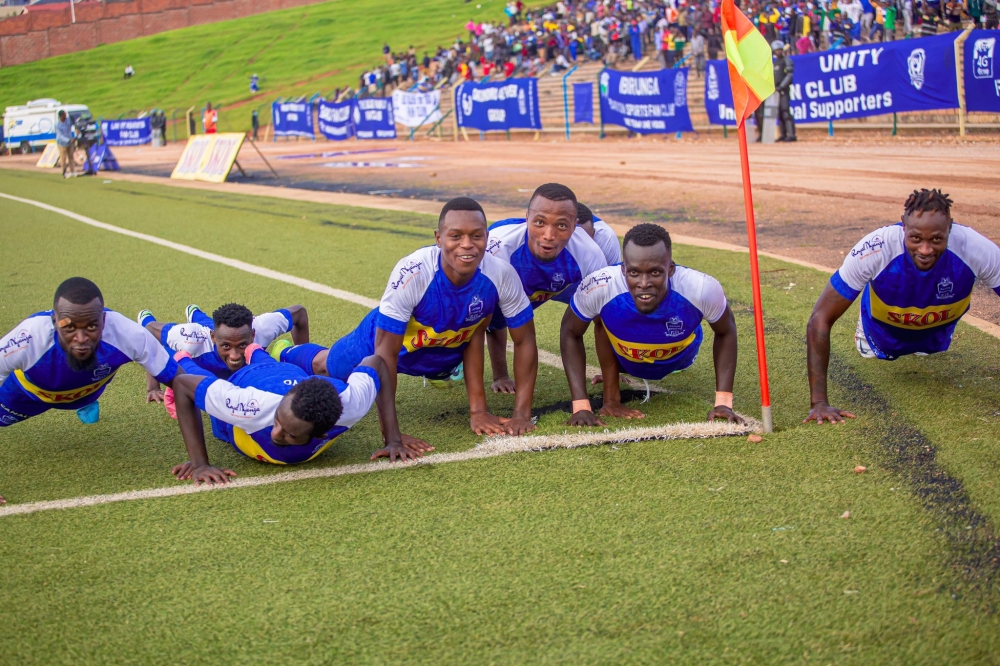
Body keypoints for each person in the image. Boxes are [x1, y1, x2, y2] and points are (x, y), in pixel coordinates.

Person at [279, 197, 539, 460]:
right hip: (379, 344)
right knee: (327, 369)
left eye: (476, 235)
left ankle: (440, 370)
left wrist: (497, 413)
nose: (467, 244)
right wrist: (392, 437)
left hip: (440, 348)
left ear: (487, 237)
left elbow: (518, 339)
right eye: (455, 236)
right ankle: (285, 352)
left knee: (463, 336)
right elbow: (384, 355)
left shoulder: (500, 274)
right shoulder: (413, 271)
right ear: (439, 238)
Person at [804, 189, 1000, 424]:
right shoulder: (875, 248)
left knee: (927, 346)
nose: (925, 249)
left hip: (935, 333)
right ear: (903, 227)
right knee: (877, 344)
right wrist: (819, 403)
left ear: (950, 228)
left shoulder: (977, 248)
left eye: (936, 239)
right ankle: (868, 327)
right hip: (878, 337)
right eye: (916, 238)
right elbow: (820, 318)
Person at [560, 224, 742, 426]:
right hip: (626, 359)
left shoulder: (701, 288)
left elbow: (726, 331)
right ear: (623, 269)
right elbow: (570, 332)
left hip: (678, 359)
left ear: (670, 269)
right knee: (602, 316)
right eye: (634, 273)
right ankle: (611, 398)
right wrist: (581, 406)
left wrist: (723, 403)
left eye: (655, 272)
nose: (644, 283)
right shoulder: (599, 285)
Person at [0, 278, 182, 468]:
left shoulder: (127, 333)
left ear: (103, 321)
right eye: (69, 327)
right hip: (28, 393)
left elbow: (181, 382)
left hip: (87, 390)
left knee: (88, 366)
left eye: (91, 326)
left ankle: (84, 402)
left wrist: (198, 462)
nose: (81, 338)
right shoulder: (27, 338)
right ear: (54, 322)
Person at [169, 343, 390, 484]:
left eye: (290, 434)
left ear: (321, 434)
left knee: (268, 362)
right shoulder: (248, 407)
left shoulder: (350, 406)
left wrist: (392, 439)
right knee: (203, 377)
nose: (276, 433)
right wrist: (200, 464)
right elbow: (183, 384)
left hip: (290, 373)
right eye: (277, 421)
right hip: (250, 379)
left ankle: (257, 350)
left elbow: (376, 362)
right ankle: (183, 357)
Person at [484, 184, 607, 394]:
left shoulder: (589, 254)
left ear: (575, 226)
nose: (549, 235)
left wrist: (611, 373)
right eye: (540, 222)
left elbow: (604, 317)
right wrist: (501, 376)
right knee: (488, 311)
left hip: (565, 283)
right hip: (513, 283)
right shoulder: (497, 249)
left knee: (604, 310)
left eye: (562, 225)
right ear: (527, 219)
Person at [137, 303, 308, 409]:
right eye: (226, 346)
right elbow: (149, 333)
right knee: (150, 325)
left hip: (216, 331)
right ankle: (147, 316)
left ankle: (194, 311)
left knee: (206, 321)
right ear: (213, 338)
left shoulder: (263, 328)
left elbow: (299, 312)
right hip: (200, 333)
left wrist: (300, 355)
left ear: (253, 335)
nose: (234, 355)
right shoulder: (190, 338)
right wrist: (153, 387)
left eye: (242, 345)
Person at [773, 41, 797, 142]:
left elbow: (789, 75)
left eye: (780, 50)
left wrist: (782, 86)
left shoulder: (786, 61)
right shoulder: (775, 63)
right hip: (776, 92)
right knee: (779, 113)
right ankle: (783, 134)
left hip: (783, 91)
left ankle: (791, 134)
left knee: (785, 111)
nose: (778, 52)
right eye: (776, 50)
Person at [55, 110, 75, 179]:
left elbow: (73, 122)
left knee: (71, 157)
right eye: (64, 115)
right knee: (63, 158)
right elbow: (60, 136)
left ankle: (72, 171)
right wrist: (69, 140)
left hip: (70, 143)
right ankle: (64, 173)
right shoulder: (58, 125)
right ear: (61, 116)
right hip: (62, 144)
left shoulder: (68, 121)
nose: (66, 116)